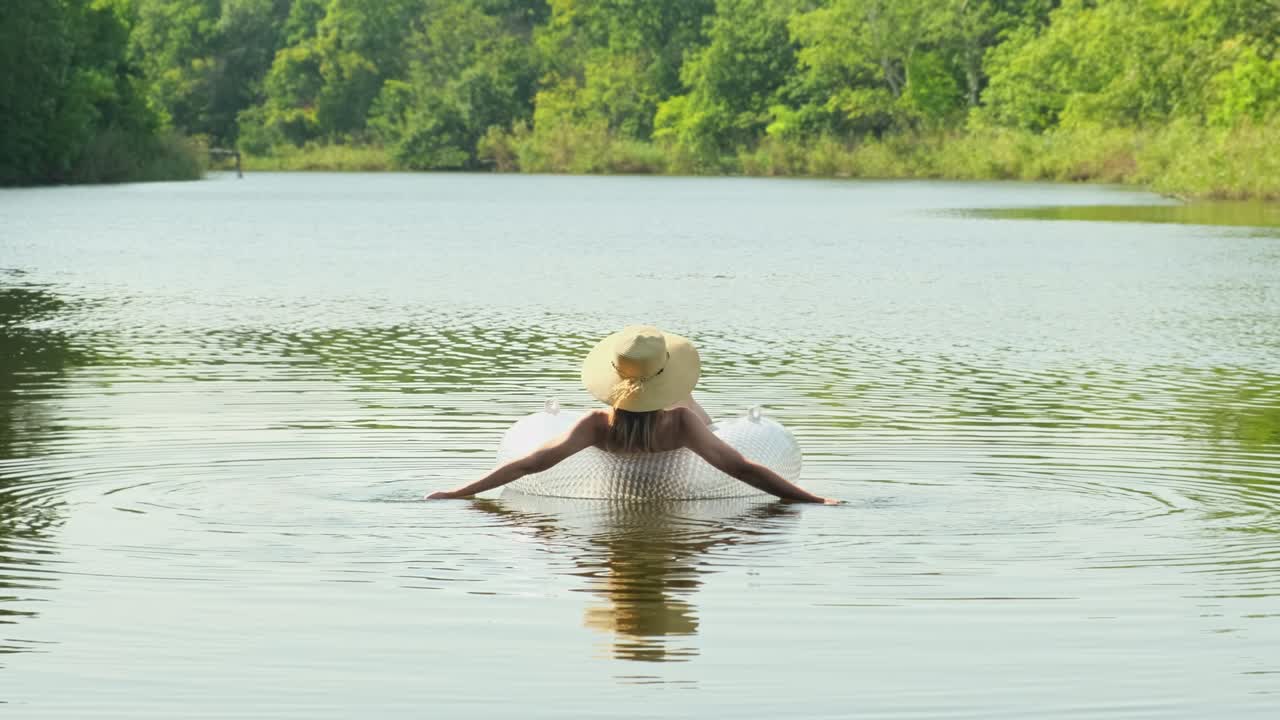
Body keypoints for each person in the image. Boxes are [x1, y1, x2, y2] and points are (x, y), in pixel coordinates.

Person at [425, 325, 839, 504]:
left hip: (612, 473)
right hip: (684, 474)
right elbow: (742, 467)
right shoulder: (681, 421)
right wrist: (810, 498)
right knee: (687, 402)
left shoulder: (594, 425)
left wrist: (459, 492)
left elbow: (531, 463)